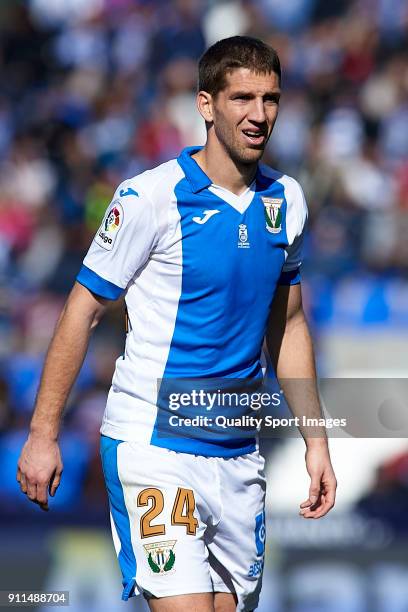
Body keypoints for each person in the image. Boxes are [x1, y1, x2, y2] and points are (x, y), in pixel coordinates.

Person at [17, 36, 337, 612]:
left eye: (270, 99)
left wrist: (316, 439)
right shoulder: (149, 198)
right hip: (154, 447)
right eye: (241, 98)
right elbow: (82, 311)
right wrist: (43, 433)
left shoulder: (287, 200)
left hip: (239, 456)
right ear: (206, 105)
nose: (258, 115)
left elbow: (287, 324)